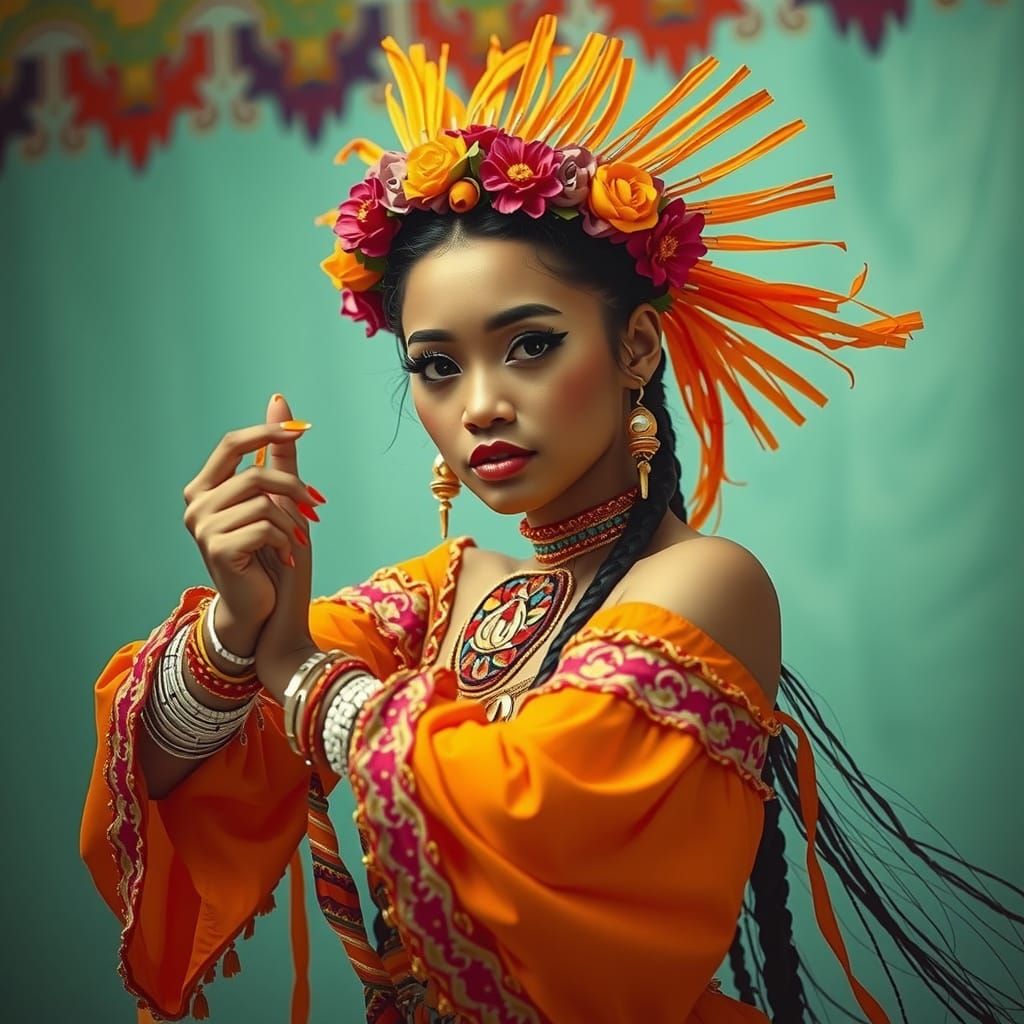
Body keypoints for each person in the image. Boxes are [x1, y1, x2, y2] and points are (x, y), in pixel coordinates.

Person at [81, 14, 1023, 1024]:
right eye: (437, 367)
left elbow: (522, 813)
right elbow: (167, 768)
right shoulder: (437, 595)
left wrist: (296, 673)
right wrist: (237, 623)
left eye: (527, 346)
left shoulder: (703, 584)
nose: (478, 402)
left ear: (636, 350)